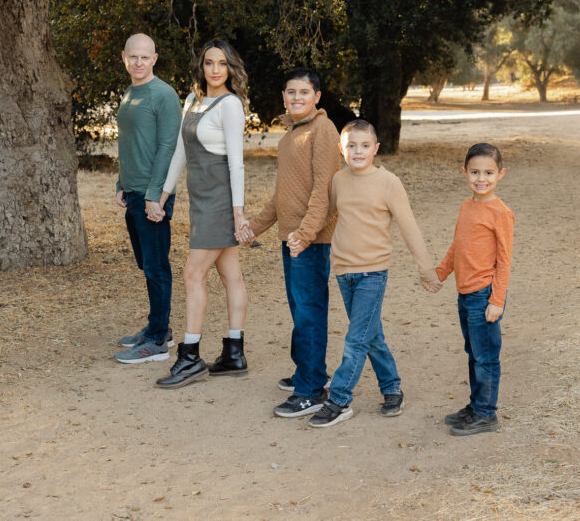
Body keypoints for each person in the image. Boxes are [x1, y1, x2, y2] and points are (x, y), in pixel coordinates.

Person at [307, 120, 436, 427]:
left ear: (376, 149)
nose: (358, 151)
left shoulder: (388, 183)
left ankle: (339, 399)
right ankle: (392, 388)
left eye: (365, 145)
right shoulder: (339, 180)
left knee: (356, 339)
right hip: (344, 271)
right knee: (370, 335)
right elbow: (326, 215)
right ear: (341, 149)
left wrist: (426, 269)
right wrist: (302, 236)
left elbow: (408, 225)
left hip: (373, 274)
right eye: (351, 145)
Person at [154, 39, 253, 388]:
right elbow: (180, 153)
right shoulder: (192, 101)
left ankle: (190, 357)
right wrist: (163, 195)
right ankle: (234, 354)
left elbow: (237, 164)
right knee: (230, 274)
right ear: (201, 66)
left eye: (222, 63)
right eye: (209, 62)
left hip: (221, 202)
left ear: (230, 68)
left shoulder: (230, 105)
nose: (215, 69)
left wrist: (238, 213)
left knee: (192, 274)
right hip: (200, 200)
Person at [245, 68, 340, 418]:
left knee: (309, 310)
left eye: (304, 92)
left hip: (309, 239)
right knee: (299, 309)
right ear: (283, 96)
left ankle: (311, 389)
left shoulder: (323, 129)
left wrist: (306, 234)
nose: (296, 97)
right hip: (291, 238)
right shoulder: (289, 137)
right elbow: (281, 196)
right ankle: (308, 370)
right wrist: (254, 228)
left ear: (317, 96)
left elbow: (325, 190)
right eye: (290, 92)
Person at [429, 142, 514, 436]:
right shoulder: (467, 206)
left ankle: (486, 414)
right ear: (464, 172)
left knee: (486, 356)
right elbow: (458, 246)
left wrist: (497, 300)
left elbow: (504, 260)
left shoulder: (500, 213)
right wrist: (440, 273)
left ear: (500, 174)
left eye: (489, 173)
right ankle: (476, 405)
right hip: (465, 294)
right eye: (475, 172)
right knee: (473, 352)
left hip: (484, 295)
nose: (481, 178)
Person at [113, 33, 183, 364]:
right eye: (133, 57)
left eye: (145, 57)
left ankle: (157, 341)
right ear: (124, 58)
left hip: (152, 196)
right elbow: (128, 142)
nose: (138, 62)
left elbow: (168, 147)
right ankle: (159, 328)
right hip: (134, 193)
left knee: (156, 267)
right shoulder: (130, 93)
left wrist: (155, 196)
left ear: (154, 59)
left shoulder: (164, 95)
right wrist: (121, 183)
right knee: (147, 265)